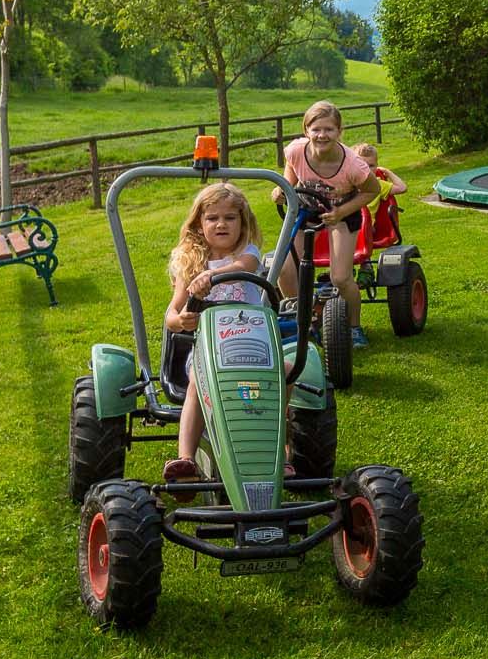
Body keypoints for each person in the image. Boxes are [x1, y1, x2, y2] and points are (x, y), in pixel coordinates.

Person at [160, 183, 263, 489]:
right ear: (199, 223)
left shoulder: (248, 253)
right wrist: (182, 319)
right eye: (213, 218)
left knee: (283, 377)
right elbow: (171, 316)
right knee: (197, 382)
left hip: (252, 345)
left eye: (230, 218)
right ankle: (186, 458)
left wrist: (211, 276)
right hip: (207, 349)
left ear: (242, 223)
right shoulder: (190, 263)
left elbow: (244, 267)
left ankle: (281, 453)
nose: (221, 224)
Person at [279, 100, 384, 348]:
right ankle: (304, 319)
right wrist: (282, 189)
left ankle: (354, 327)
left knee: (340, 277)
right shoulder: (295, 150)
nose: (322, 135)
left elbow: (372, 190)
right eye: (316, 129)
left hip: (341, 212)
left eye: (328, 129)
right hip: (306, 209)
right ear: (306, 131)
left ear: (339, 132)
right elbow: (290, 174)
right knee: (284, 270)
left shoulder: (353, 165)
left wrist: (340, 212)